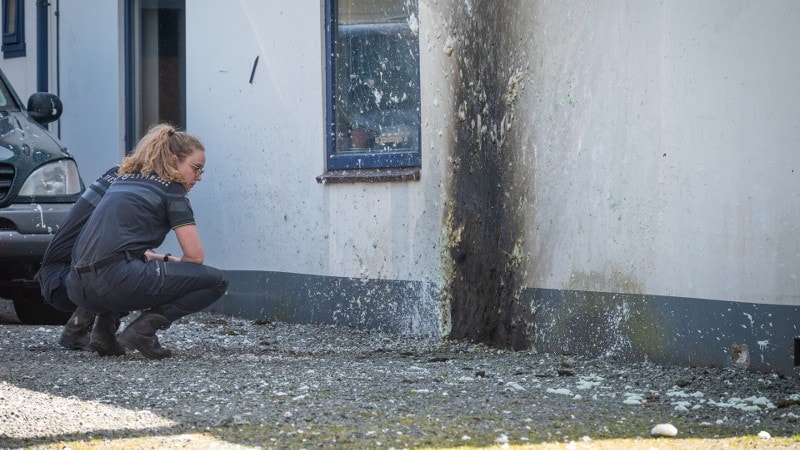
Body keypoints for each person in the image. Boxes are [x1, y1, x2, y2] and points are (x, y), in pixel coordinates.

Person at [65, 123, 228, 359]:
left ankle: (104, 330)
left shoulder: (124, 180)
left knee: (130, 267)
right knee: (216, 281)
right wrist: (171, 264)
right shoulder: (173, 191)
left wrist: (159, 260)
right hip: (113, 282)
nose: (199, 177)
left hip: (77, 286)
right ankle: (143, 330)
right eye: (196, 168)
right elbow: (195, 257)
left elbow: (112, 245)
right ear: (173, 160)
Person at [34, 166, 120, 350]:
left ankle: (96, 328)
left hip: (57, 275)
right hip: (61, 282)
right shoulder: (132, 186)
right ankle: (78, 329)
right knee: (127, 265)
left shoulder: (117, 174)